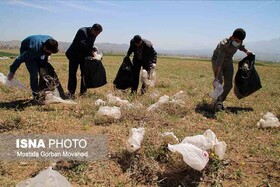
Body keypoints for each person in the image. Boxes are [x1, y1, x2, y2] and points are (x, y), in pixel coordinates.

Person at [211, 28, 253, 111]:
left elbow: (240, 46)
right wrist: (216, 77)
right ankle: (217, 104)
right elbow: (219, 62)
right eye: (237, 40)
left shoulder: (239, 41)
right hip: (218, 61)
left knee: (229, 85)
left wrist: (246, 51)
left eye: (240, 41)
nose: (238, 43)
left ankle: (220, 101)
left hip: (229, 61)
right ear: (233, 37)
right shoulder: (224, 44)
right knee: (218, 83)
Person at [7, 35, 59, 99]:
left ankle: (44, 91)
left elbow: (48, 49)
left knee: (43, 69)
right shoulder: (32, 50)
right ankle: (36, 95)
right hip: (26, 48)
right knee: (34, 73)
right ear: (45, 48)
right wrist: (12, 71)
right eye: (50, 52)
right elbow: (19, 59)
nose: (51, 53)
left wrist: (47, 56)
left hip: (39, 48)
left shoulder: (51, 41)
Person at [66, 23, 103, 97]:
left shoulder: (94, 35)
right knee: (72, 74)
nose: (97, 35)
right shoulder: (82, 31)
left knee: (85, 74)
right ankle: (71, 92)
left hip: (83, 56)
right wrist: (93, 53)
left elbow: (89, 45)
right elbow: (82, 44)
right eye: (96, 33)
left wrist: (94, 49)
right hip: (74, 55)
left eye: (98, 34)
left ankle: (83, 93)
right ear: (92, 29)